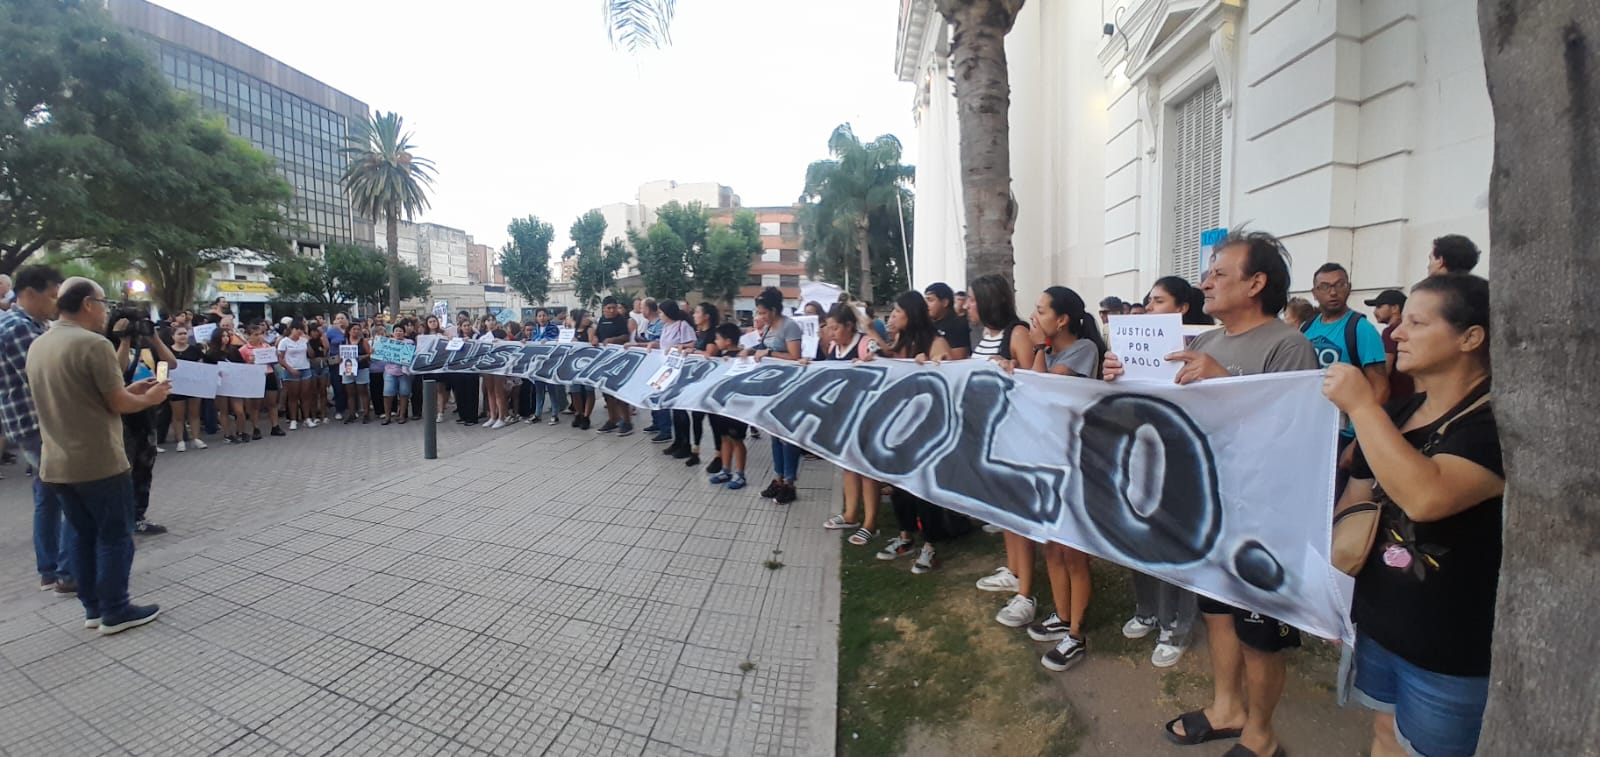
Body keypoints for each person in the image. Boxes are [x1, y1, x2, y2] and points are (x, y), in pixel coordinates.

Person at [1104, 229, 1316, 757]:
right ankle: (1227, 709)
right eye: (1208, 273)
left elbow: (1293, 438)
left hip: (1261, 521)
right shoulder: (1202, 342)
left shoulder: (1288, 345)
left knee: (1258, 634)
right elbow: (1168, 415)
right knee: (1218, 615)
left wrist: (1222, 381)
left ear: (1257, 283)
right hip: (1209, 509)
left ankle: (1261, 736)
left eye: (1220, 273)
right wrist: (1123, 380)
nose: (1206, 282)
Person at [1325, 274, 1500, 757]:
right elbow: (1354, 504)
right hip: (1379, 624)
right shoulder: (1399, 413)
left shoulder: (1493, 426)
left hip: (1451, 650)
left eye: (1418, 323)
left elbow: (1426, 497)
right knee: (1385, 733)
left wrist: (1362, 406)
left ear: (1471, 337)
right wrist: (1335, 599)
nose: (1397, 333)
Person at [29, 278, 171, 634]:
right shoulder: (93, 344)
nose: (107, 312)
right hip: (98, 460)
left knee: (82, 534)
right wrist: (149, 398)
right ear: (88, 304)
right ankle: (116, 609)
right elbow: (118, 403)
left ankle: (93, 609)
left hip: (57, 460)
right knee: (115, 536)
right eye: (103, 304)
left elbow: (86, 395)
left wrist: (130, 390)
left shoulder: (41, 343)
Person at [1115, 276, 1210, 669]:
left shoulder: (1203, 345)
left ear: (1182, 307)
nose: (1149, 308)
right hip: (1143, 446)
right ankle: (1148, 610)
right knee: (1140, 532)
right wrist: (1112, 373)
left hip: (1183, 457)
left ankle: (1177, 625)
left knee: (1175, 540)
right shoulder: (1132, 342)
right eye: (1149, 301)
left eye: (1158, 301)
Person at [1018, 286, 1106, 673]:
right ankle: (1061, 613)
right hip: (1047, 459)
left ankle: (1076, 633)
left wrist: (1038, 347)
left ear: (1063, 319)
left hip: (1077, 463)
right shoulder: (1051, 352)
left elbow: (1042, 390)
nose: (1034, 317)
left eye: (1041, 311)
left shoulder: (1083, 350)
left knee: (1073, 550)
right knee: (1051, 545)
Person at [0, 265, 74, 594]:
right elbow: (46, 375)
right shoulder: (17, 327)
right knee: (70, 492)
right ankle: (67, 571)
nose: (57, 304)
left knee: (47, 495)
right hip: (35, 422)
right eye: (53, 296)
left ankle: (50, 569)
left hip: (34, 422)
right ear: (29, 293)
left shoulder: (33, 324)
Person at [871, 291, 954, 573]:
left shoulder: (935, 341)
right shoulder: (902, 342)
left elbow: (948, 377)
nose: (893, 316)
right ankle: (905, 536)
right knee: (899, 485)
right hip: (900, 424)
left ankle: (930, 545)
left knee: (923, 488)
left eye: (897, 311)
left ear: (911, 314)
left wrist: (933, 363)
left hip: (927, 429)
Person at [1306, 263, 1389, 495]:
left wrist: (1358, 441)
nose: (1333, 292)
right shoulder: (1306, 328)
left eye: (1339, 285)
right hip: (1313, 431)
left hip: (1345, 435)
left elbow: (1381, 389)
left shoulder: (1361, 329)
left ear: (1349, 288)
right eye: (1325, 287)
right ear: (1314, 293)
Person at [813, 302, 882, 546]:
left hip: (866, 416)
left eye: (835, 328)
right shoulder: (835, 347)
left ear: (849, 326)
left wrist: (869, 365)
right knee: (848, 466)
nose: (831, 333)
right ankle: (851, 513)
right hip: (843, 416)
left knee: (867, 471)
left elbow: (884, 372)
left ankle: (870, 523)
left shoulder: (866, 344)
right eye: (828, 328)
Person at [109, 313, 177, 535]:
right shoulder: (108, 347)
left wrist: (154, 337)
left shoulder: (148, 347)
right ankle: (121, 517)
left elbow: (171, 363)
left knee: (144, 466)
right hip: (124, 414)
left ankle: (138, 515)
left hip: (147, 412)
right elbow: (116, 372)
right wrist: (124, 340)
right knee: (125, 468)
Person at [747, 288, 805, 505]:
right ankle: (778, 478)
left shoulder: (790, 326)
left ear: (773, 309)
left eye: (763, 312)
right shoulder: (768, 328)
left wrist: (769, 354)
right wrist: (749, 351)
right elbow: (762, 348)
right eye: (758, 313)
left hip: (788, 388)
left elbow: (795, 356)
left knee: (787, 436)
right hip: (770, 387)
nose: (760, 317)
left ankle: (789, 483)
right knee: (774, 434)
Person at [706, 323, 752, 490]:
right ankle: (726, 469)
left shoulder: (743, 357)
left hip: (737, 406)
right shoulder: (722, 356)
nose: (715, 341)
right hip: (721, 405)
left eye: (718, 338)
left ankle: (740, 473)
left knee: (737, 440)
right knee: (724, 437)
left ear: (728, 341)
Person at [677, 301, 723, 467]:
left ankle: (719, 456)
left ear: (706, 316)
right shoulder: (701, 333)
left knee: (714, 421)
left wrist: (693, 351)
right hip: (698, 381)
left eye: (697, 312)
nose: (694, 315)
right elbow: (696, 348)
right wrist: (684, 347)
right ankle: (695, 451)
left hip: (711, 383)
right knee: (696, 417)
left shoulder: (713, 333)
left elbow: (710, 353)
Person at [653, 300, 696, 448]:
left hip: (679, 369)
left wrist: (677, 347)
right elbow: (663, 345)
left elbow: (691, 344)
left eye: (661, 312)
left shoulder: (682, 325)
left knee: (680, 407)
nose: (659, 315)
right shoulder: (666, 326)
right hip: (667, 369)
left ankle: (685, 442)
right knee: (671, 405)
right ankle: (677, 441)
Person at [1365, 289, 1415, 404]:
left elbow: (1385, 369)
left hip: (1396, 397)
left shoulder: (1391, 332)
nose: (1375, 311)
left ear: (1395, 308)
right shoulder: (1411, 329)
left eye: (1379, 306)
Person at [592, 297, 634, 436]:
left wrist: (614, 340)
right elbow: (597, 335)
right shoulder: (602, 320)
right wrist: (595, 338)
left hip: (620, 361)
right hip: (604, 361)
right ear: (603, 309)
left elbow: (626, 336)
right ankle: (612, 419)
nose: (611, 310)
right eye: (608, 308)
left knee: (619, 393)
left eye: (614, 308)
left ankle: (627, 421)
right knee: (607, 393)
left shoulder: (621, 320)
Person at [165, 324, 208, 452]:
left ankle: (196, 438)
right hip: (175, 387)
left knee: (194, 414)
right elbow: (162, 367)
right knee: (178, 415)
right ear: (173, 336)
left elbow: (202, 366)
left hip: (193, 386)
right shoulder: (168, 351)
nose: (183, 336)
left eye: (185, 333)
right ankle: (180, 441)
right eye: (180, 334)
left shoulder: (194, 350)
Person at [241, 324, 284, 437]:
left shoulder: (267, 346)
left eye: (260, 334)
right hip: (254, 376)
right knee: (255, 404)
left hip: (268, 374)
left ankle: (275, 426)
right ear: (248, 336)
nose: (259, 337)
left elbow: (274, 362)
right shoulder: (244, 349)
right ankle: (255, 428)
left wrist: (276, 356)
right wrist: (249, 362)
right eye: (255, 335)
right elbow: (240, 367)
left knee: (272, 402)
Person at [277, 320, 316, 430]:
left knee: (305, 395)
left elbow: (311, 355)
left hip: (305, 368)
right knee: (293, 396)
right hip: (291, 370)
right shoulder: (284, 342)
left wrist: (307, 343)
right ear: (292, 329)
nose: (299, 332)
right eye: (297, 329)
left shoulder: (304, 341)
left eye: (301, 330)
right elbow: (280, 358)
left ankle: (307, 418)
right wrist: (290, 369)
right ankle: (293, 420)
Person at [924, 282, 973, 360]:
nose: (926, 305)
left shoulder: (958, 325)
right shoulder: (927, 324)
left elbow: (958, 359)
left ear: (945, 302)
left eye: (930, 300)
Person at [567, 309, 596, 429]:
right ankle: (578, 413)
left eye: (588, 316)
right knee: (575, 391)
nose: (587, 318)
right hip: (574, 364)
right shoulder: (571, 331)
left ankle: (586, 416)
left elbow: (591, 343)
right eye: (585, 316)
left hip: (587, 364)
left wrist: (578, 342)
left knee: (589, 390)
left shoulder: (590, 330)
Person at [339, 322, 373, 423]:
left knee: (363, 391)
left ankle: (366, 414)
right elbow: (340, 355)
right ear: (349, 331)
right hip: (348, 369)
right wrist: (340, 360)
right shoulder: (344, 342)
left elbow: (370, 353)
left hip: (361, 368)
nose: (356, 331)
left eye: (358, 329)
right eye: (354, 329)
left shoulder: (363, 342)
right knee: (350, 392)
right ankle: (351, 414)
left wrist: (363, 357)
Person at [326, 313, 348, 420]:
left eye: (342, 318)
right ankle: (339, 409)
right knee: (338, 386)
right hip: (336, 362)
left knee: (349, 386)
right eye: (338, 318)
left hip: (349, 362)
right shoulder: (331, 332)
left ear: (346, 320)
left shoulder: (351, 330)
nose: (340, 320)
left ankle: (352, 408)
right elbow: (326, 347)